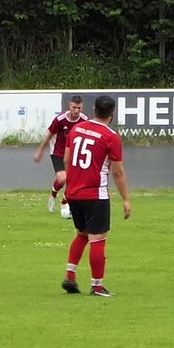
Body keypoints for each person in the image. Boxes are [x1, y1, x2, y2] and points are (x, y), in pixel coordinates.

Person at [59, 95, 131, 297]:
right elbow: (117, 172)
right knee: (97, 238)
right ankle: (97, 286)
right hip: (95, 193)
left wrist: (70, 185)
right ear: (112, 114)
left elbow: (66, 159)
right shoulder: (111, 136)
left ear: (93, 109)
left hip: (74, 192)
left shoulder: (77, 129)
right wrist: (126, 199)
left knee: (81, 234)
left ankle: (70, 276)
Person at [33, 95, 88, 219]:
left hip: (74, 154)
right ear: (69, 106)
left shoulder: (84, 120)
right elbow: (48, 135)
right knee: (63, 179)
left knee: (74, 180)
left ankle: (64, 203)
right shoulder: (60, 120)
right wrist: (40, 151)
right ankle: (53, 195)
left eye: (79, 108)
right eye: (74, 107)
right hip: (57, 152)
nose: (76, 111)